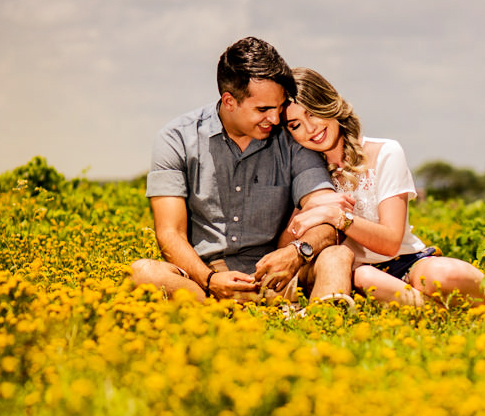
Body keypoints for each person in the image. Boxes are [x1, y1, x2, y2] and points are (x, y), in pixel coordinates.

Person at [131, 38, 349, 302]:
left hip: (279, 277)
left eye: (279, 107)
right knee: (141, 272)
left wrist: (295, 253)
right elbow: (170, 233)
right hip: (204, 281)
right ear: (229, 101)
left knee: (337, 256)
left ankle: (320, 329)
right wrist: (210, 280)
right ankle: (223, 319)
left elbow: (326, 216)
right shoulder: (176, 138)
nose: (276, 118)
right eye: (263, 109)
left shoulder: (292, 137)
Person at [282, 67, 485, 308]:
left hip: (405, 261)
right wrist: (311, 205)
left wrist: (337, 216)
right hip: (353, 275)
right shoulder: (306, 175)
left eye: (313, 113)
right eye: (295, 125)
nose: (310, 129)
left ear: (328, 103)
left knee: (444, 275)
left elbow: (390, 242)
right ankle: (437, 313)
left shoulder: (386, 153)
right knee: (366, 277)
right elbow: (286, 244)